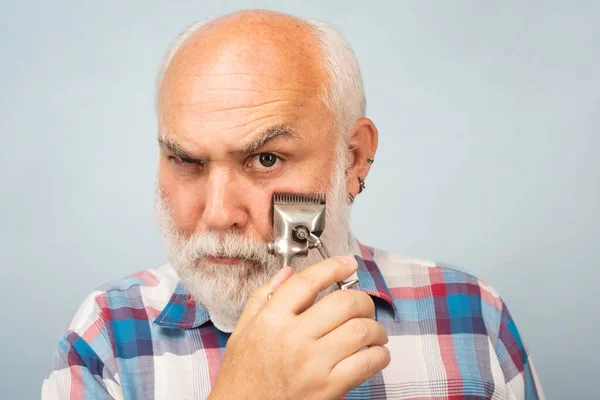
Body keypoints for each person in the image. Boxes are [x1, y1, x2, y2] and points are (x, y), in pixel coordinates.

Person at [42, 9, 544, 400]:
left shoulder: (473, 317)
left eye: (265, 159)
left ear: (352, 160)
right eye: (185, 160)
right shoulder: (107, 336)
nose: (219, 214)